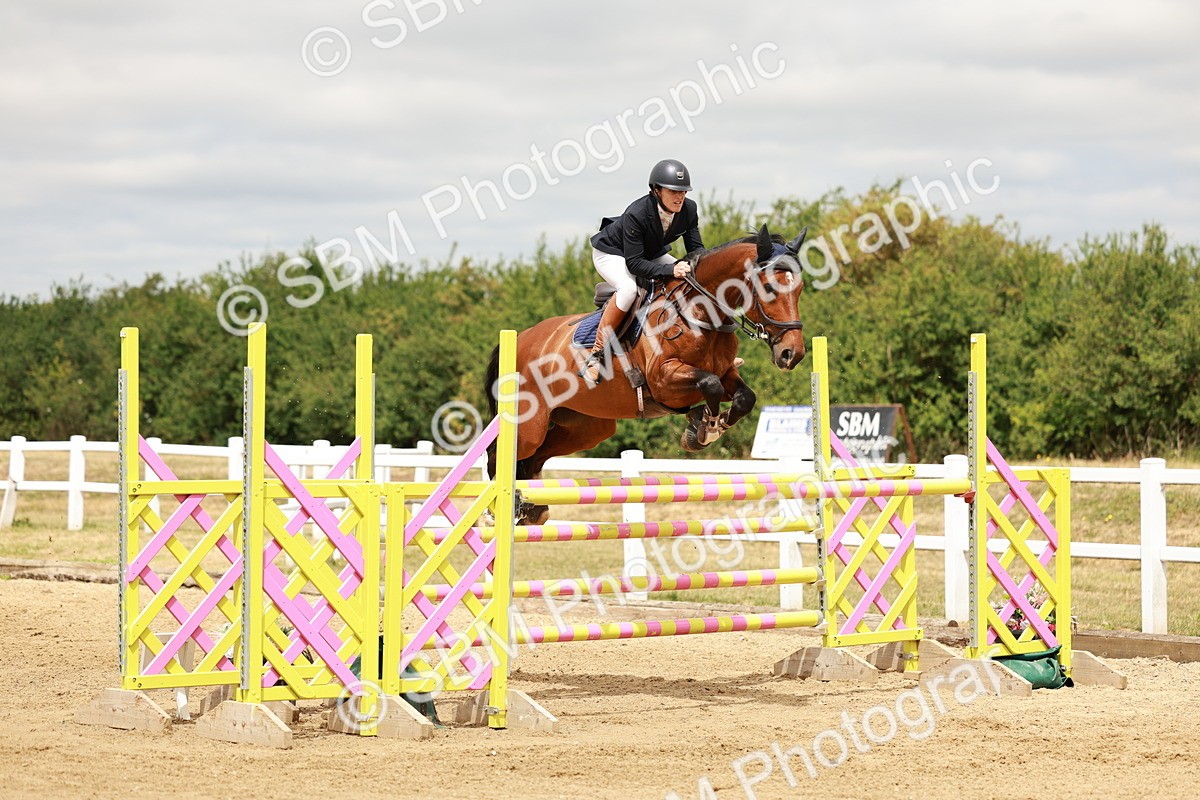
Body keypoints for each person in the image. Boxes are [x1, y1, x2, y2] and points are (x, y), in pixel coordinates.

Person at [583, 159, 704, 386]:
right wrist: (671, 269)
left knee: (690, 279)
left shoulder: (689, 209)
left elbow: (696, 250)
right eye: (673, 191)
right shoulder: (637, 214)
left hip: (648, 253)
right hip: (612, 254)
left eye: (683, 192)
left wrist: (694, 268)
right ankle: (596, 355)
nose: (680, 197)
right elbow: (635, 265)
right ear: (656, 191)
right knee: (629, 289)